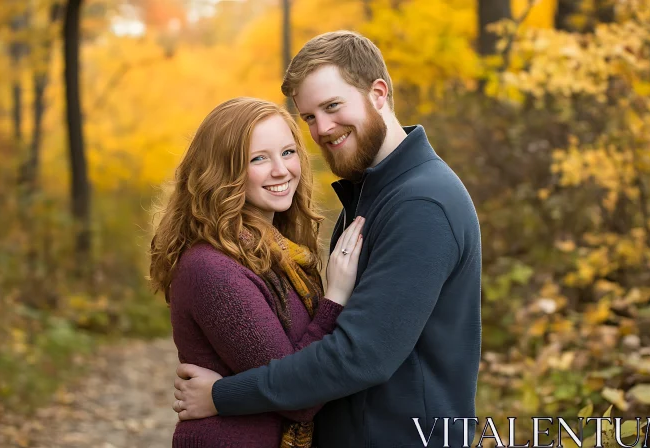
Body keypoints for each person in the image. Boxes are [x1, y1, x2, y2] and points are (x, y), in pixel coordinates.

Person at [172, 31, 483, 448]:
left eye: (333, 106)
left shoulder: (421, 203)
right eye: (310, 117)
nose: (323, 129)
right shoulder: (372, 193)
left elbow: (360, 355)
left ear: (378, 93)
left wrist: (221, 395)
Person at [149, 97, 365, 447]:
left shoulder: (279, 255)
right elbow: (300, 397)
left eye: (288, 152)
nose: (281, 170)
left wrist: (219, 393)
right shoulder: (212, 268)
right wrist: (336, 297)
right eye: (258, 158)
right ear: (222, 172)